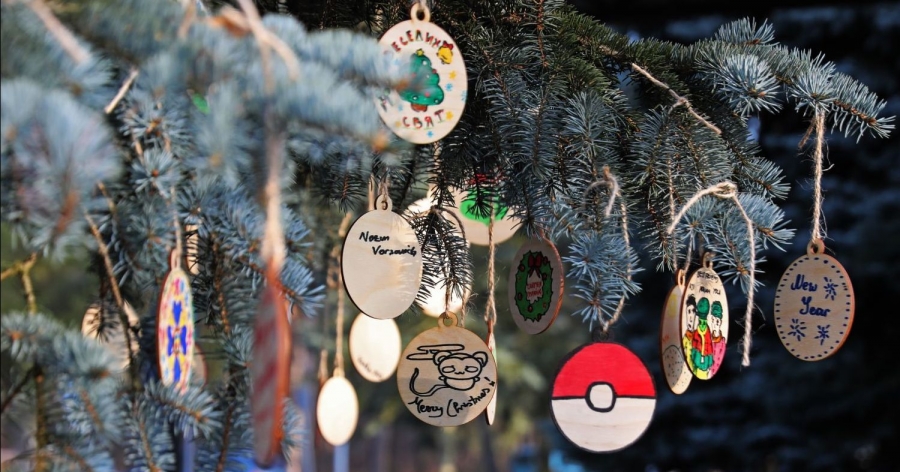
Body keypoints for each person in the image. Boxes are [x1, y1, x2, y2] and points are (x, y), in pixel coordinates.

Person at [690, 297, 713, 379]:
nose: (702, 323)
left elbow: (709, 346)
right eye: (700, 321)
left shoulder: (707, 332)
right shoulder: (696, 332)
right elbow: (694, 344)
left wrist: (709, 359)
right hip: (697, 359)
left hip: (705, 361)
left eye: (704, 321)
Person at [681, 295, 699, 372]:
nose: (691, 315)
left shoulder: (699, 338)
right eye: (688, 311)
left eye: (693, 311)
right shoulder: (683, 339)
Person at [709, 301, 726, 377]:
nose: (715, 324)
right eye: (713, 320)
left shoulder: (722, 343)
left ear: (720, 322)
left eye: (717, 321)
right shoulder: (707, 340)